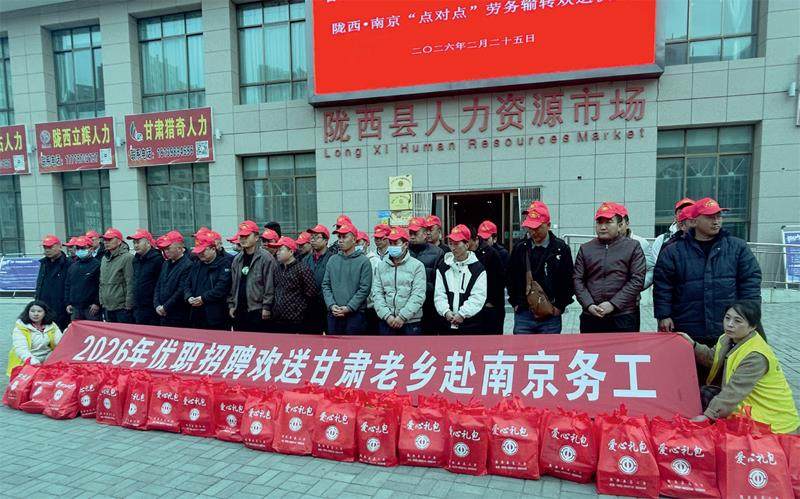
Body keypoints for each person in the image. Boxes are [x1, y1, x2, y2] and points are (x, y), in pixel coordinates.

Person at [654, 197, 762, 346]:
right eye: (710, 217)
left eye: (719, 216)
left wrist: (750, 315)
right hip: (687, 326)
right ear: (693, 221)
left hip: (727, 328)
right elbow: (663, 286)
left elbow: (751, 282)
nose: (716, 221)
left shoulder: (738, 248)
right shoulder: (673, 251)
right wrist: (663, 315)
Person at [681, 301, 799, 434]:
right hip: (745, 404)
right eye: (727, 318)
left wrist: (708, 416)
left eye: (737, 321)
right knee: (704, 393)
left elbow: (734, 391)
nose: (730, 324)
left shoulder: (755, 355)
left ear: (752, 326)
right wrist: (693, 344)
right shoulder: (726, 339)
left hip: (770, 422)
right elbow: (712, 358)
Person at [573, 202, 646, 333]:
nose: (603, 227)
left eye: (608, 222)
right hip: (591, 315)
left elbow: (637, 280)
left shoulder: (633, 247)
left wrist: (613, 304)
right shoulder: (586, 248)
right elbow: (577, 280)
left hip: (623, 316)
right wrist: (589, 305)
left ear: (620, 225)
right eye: (599, 223)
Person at [507, 203, 575, 334]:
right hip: (524, 313)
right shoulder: (520, 248)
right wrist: (515, 303)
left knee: (549, 347)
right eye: (530, 228)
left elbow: (569, 280)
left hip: (551, 314)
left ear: (548, 225)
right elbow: (510, 277)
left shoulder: (561, 249)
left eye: (537, 227)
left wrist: (559, 306)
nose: (533, 232)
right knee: (522, 347)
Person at [372, 227, 426, 335]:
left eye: (396, 243)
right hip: (386, 321)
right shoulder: (381, 266)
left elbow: (418, 295)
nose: (392, 247)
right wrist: (387, 315)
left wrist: (402, 317)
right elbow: (377, 293)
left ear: (405, 245)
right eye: (391, 243)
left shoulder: (417, 266)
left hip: (411, 322)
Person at [434, 225, 487, 333]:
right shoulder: (443, 266)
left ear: (467, 245)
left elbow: (478, 297)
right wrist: (445, 311)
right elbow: (439, 294)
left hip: (471, 325)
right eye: (451, 243)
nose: (453, 248)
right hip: (446, 324)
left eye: (457, 244)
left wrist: (462, 314)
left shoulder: (478, 269)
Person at [322, 222, 373, 334]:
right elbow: (326, 285)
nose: (340, 240)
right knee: (334, 345)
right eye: (339, 237)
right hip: (334, 314)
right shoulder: (332, 260)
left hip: (355, 315)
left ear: (354, 239)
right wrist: (331, 305)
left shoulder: (364, 262)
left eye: (344, 237)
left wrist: (349, 307)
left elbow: (364, 289)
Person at [228, 220, 276, 332]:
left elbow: (270, 285)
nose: (243, 239)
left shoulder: (266, 258)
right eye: (241, 236)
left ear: (256, 237)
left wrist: (266, 307)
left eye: (246, 236)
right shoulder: (237, 259)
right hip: (239, 310)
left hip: (257, 310)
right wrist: (232, 305)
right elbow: (233, 285)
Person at [184, 234, 232, 330]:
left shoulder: (224, 264)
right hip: (197, 315)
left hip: (216, 316)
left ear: (213, 249)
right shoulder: (196, 265)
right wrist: (188, 296)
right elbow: (187, 284)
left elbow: (222, 287)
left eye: (203, 251)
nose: (200, 254)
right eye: (198, 252)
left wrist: (203, 298)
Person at [270, 236, 317, 333]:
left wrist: (299, 311)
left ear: (291, 252)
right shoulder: (278, 269)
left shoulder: (302, 269)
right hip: (278, 318)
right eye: (277, 250)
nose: (277, 252)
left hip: (296, 320)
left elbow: (311, 294)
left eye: (280, 249)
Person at [7, 301, 63, 376]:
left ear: (45, 313)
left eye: (39, 311)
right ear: (28, 312)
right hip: (26, 360)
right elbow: (21, 349)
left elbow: (60, 344)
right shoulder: (20, 328)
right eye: (32, 311)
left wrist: (67, 333)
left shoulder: (52, 326)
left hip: (47, 357)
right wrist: (34, 362)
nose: (36, 314)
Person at [408, 216, 445, 333]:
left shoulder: (438, 253)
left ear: (425, 234)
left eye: (415, 233)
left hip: (429, 307)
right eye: (410, 233)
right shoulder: (404, 251)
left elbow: (440, 284)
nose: (412, 236)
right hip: (406, 308)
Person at [470, 223, 506, 333]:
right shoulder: (471, 253)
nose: (484, 241)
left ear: (494, 238)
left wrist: (491, 302)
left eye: (486, 239)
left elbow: (501, 280)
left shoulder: (498, 254)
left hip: (492, 305)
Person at [153, 231, 192, 327]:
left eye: (168, 248)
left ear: (179, 248)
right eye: (164, 249)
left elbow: (181, 290)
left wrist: (165, 307)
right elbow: (158, 285)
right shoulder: (166, 263)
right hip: (162, 313)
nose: (165, 251)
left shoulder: (188, 265)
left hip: (178, 314)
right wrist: (157, 305)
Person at [34, 234, 71, 331]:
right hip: (44, 307)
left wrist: (68, 303)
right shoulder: (43, 264)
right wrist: (37, 301)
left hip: (61, 309)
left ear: (59, 246)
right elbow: (40, 284)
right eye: (45, 247)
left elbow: (71, 286)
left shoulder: (68, 264)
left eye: (50, 247)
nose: (47, 250)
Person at [127, 229, 162, 325]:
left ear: (148, 243)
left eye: (138, 242)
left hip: (152, 308)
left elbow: (160, 284)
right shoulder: (136, 260)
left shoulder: (157, 260)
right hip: (138, 307)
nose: (135, 245)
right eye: (134, 243)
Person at [303, 224, 334, 333]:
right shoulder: (306, 260)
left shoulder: (332, 259)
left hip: (327, 306)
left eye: (317, 237)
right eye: (311, 237)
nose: (313, 240)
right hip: (310, 306)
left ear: (326, 240)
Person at [64, 236, 101, 321]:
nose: (80, 250)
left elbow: (100, 286)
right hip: (75, 308)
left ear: (91, 249)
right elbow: (67, 285)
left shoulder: (97, 265)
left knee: (92, 329)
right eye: (78, 248)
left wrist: (97, 303)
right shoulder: (73, 266)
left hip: (91, 308)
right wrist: (68, 303)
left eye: (83, 248)